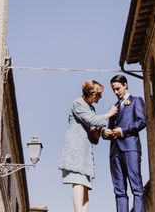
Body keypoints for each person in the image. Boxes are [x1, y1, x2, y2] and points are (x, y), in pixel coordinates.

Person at [59, 80, 118, 212]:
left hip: (86, 151)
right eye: (99, 94)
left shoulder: (91, 109)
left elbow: (93, 134)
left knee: (85, 185)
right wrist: (109, 114)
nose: (100, 97)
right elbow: (91, 120)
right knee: (78, 182)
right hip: (76, 149)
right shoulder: (77, 104)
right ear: (92, 94)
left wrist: (98, 132)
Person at [103, 74, 147, 212]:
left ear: (125, 85)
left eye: (118, 88)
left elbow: (141, 122)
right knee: (119, 190)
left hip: (130, 148)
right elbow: (110, 129)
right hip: (114, 152)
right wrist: (105, 133)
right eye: (113, 90)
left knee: (136, 187)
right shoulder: (114, 107)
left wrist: (122, 131)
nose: (116, 92)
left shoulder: (136, 101)